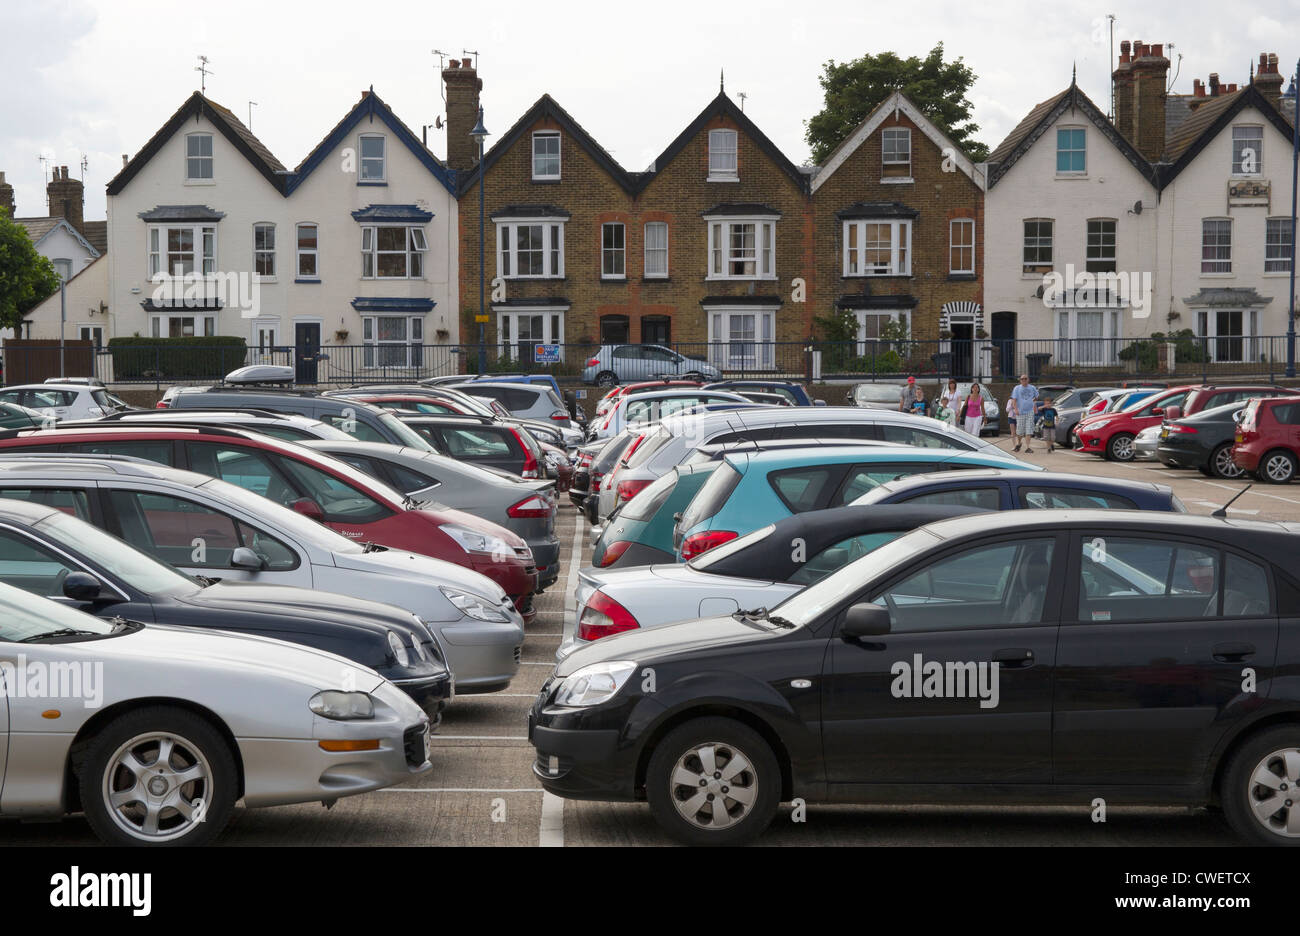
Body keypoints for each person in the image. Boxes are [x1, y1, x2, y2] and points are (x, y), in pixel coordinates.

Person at [1008, 374, 1040, 454]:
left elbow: (1036, 397)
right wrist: (1016, 409)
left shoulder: (1032, 388)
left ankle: (1028, 447)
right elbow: (1014, 400)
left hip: (1030, 411)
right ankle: (1019, 443)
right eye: (1022, 379)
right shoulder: (1017, 388)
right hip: (1020, 412)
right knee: (1019, 430)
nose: (1024, 380)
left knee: (1029, 429)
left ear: (1028, 379)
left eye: (1025, 379)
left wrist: (1032, 402)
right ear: (1020, 380)